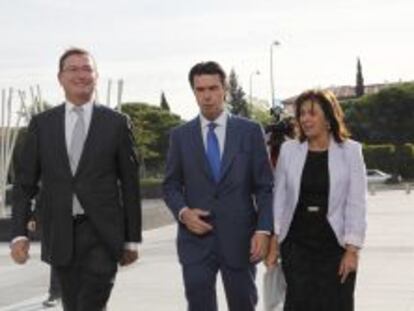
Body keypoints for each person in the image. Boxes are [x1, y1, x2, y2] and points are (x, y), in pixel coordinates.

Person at [10, 47, 142, 311]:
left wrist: (131, 239)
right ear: (60, 78)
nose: (81, 74)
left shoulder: (116, 123)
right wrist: (18, 234)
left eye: (87, 69)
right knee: (72, 304)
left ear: (96, 76)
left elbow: (130, 186)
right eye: (73, 69)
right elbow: (25, 183)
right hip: (60, 232)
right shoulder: (42, 124)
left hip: (102, 233)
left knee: (91, 302)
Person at [163, 61, 274, 311]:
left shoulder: (250, 131)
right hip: (195, 241)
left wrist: (264, 230)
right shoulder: (180, 136)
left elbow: (265, 187)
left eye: (213, 88)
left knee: (243, 305)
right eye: (200, 89)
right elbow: (170, 185)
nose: (207, 95)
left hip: (240, 239)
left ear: (224, 89)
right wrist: (183, 213)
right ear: (194, 92)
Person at [266, 89, 367, 310]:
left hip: (335, 246)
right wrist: (274, 245)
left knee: (336, 304)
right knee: (298, 304)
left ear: (329, 118)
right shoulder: (288, 150)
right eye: (301, 114)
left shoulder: (351, 151)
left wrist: (352, 251)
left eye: (312, 113)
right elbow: (280, 200)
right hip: (296, 246)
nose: (305, 119)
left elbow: (357, 204)